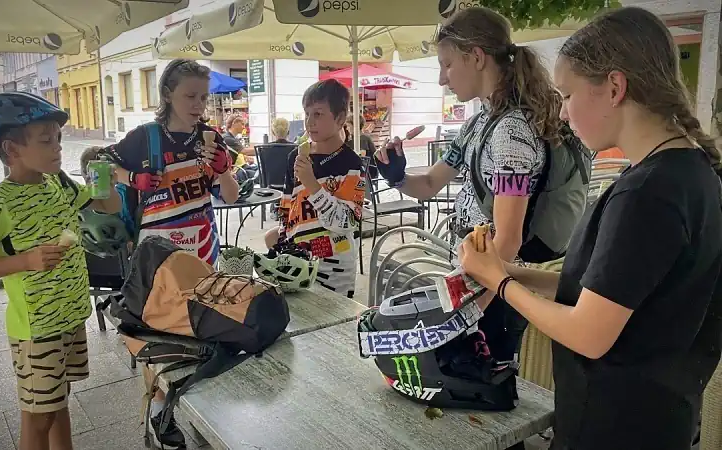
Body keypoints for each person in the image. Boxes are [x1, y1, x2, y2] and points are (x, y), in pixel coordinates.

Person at [459, 7, 722, 449]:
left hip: (614, 426)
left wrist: (501, 284)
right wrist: (511, 272)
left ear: (615, 88)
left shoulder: (647, 194)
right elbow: (614, 293)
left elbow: (589, 333)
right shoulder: (690, 173)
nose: (562, 113)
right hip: (660, 418)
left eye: (567, 95)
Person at [374, 6, 562, 365]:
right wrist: (396, 175)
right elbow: (430, 183)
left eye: (446, 64)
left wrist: (468, 310)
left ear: (476, 57)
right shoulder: (478, 123)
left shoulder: (510, 132)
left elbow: (508, 239)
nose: (442, 79)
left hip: (494, 292)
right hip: (478, 280)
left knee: (486, 385)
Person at [81, 58, 239, 450]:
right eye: (190, 96)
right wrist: (131, 178)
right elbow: (97, 167)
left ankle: (198, 409)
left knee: (202, 334)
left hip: (203, 253)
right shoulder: (144, 138)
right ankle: (158, 414)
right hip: (156, 260)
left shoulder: (211, 138)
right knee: (160, 341)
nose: (198, 104)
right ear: (167, 94)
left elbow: (231, 196)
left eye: (203, 97)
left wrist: (224, 169)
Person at [0, 92, 123, 450]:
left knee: (58, 402)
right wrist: (26, 260)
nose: (58, 147)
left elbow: (107, 206)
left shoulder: (59, 183)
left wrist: (108, 185)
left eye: (59, 138)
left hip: (69, 314)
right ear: (11, 148)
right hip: (37, 328)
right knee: (38, 417)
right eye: (46, 140)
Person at [264, 79, 366, 298]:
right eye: (307, 113)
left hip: (335, 269)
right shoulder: (296, 156)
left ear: (340, 118)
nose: (309, 122)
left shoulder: (351, 164)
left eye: (318, 114)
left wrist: (312, 184)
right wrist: (281, 246)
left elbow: (347, 222)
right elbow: (287, 209)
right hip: (295, 262)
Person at [223, 113, 259, 179]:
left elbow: (236, 153)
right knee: (261, 176)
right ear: (234, 123)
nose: (244, 127)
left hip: (243, 167)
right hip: (236, 171)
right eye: (242, 124)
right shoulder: (228, 138)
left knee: (261, 170)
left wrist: (245, 157)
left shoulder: (233, 138)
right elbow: (245, 151)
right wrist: (263, 150)